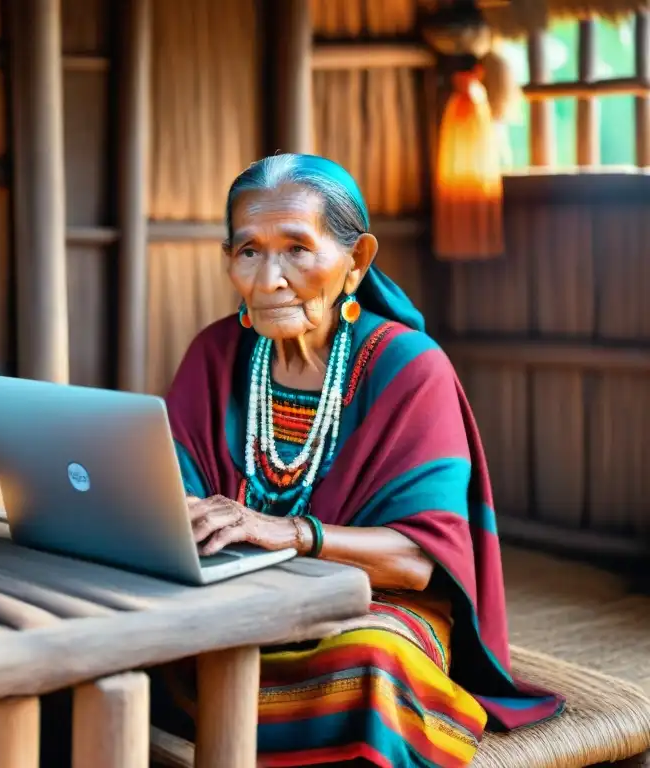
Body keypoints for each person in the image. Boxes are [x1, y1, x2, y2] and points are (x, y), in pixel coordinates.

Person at [160, 154, 563, 767]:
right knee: (104, 643)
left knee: (371, 667)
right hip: (233, 601)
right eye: (248, 251)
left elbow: (418, 561)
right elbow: (172, 499)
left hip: (371, 605)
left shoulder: (409, 368)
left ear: (357, 261)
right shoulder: (216, 355)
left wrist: (288, 533)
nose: (269, 277)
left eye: (297, 248)